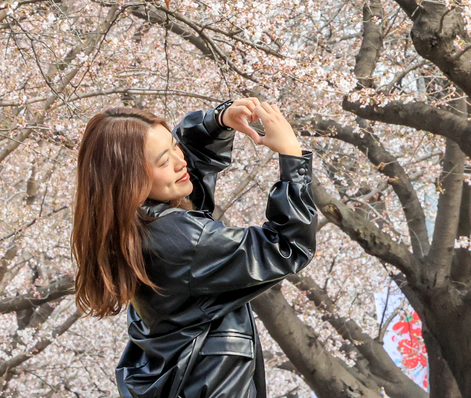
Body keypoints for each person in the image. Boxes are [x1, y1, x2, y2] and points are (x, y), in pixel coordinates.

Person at [71, 98, 319, 398]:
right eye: (164, 161)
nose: (180, 161)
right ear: (130, 180)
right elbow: (287, 246)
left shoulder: (131, 229)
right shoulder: (180, 241)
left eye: (174, 145)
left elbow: (190, 190)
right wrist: (292, 158)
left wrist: (217, 122)